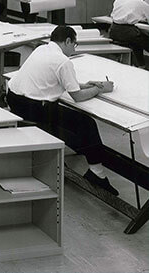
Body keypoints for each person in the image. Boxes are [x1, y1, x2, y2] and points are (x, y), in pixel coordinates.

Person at [6, 26, 119, 196]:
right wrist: (100, 89)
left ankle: (86, 157)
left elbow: (55, 78)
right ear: (67, 41)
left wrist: (84, 84)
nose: (74, 49)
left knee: (74, 123)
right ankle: (97, 173)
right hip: (34, 109)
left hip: (15, 99)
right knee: (87, 122)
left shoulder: (41, 49)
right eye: (75, 44)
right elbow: (78, 97)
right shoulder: (63, 61)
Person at [109, 0, 149, 68]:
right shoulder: (141, 3)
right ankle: (141, 65)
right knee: (143, 40)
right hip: (127, 32)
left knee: (137, 41)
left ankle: (141, 65)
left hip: (113, 29)